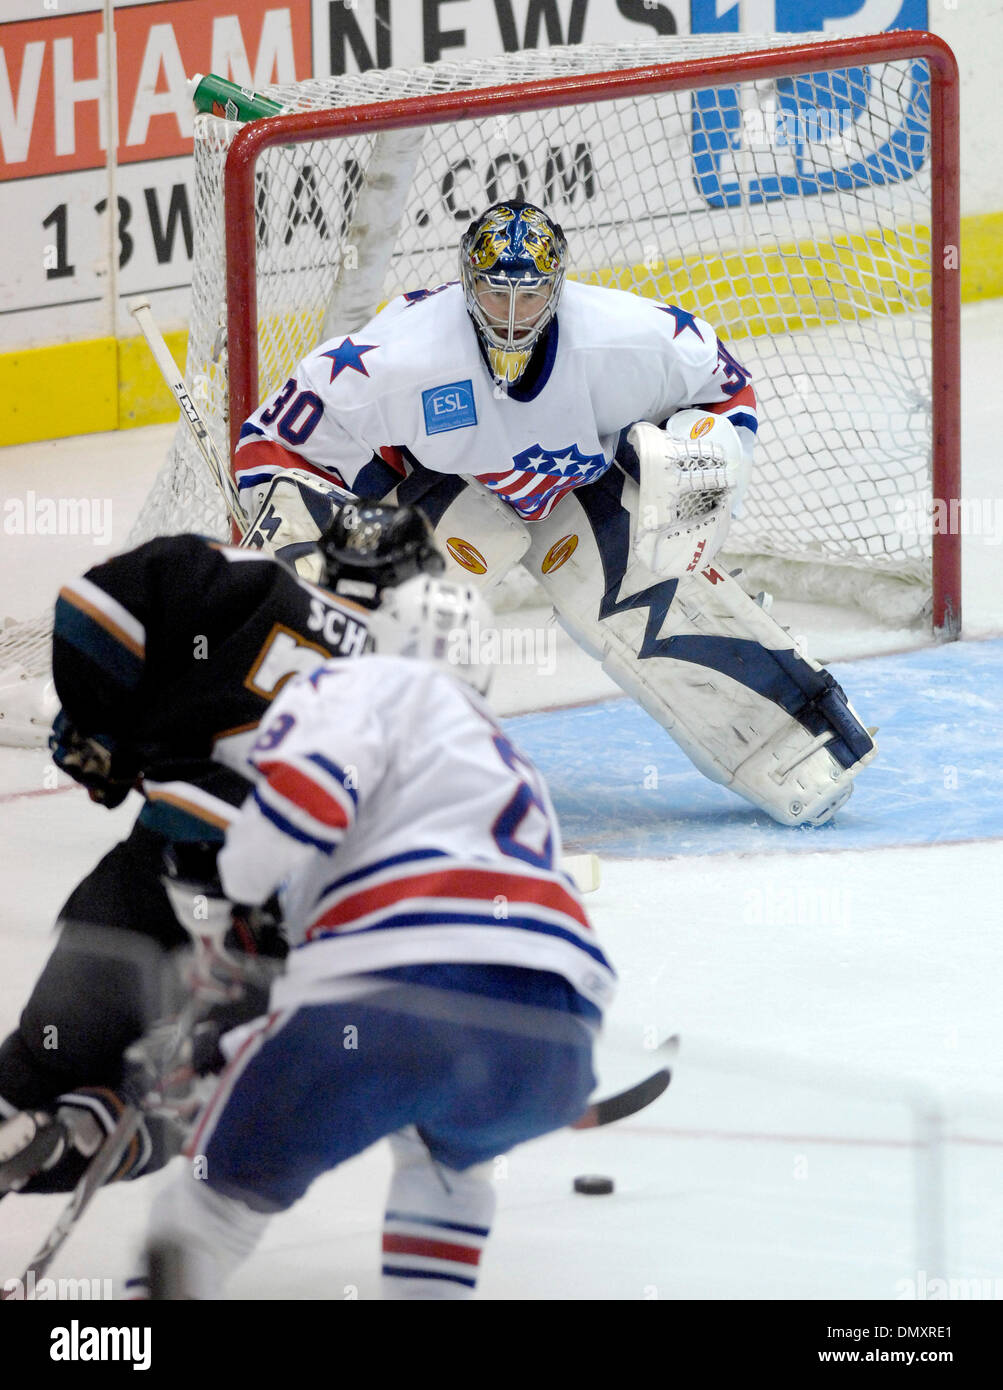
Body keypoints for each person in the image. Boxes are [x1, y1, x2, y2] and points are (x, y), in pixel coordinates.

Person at [233, 200, 877, 831]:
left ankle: (791, 741)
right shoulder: (401, 359)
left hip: (573, 487)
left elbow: (726, 389)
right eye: (494, 295)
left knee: (640, 594)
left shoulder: (624, 340)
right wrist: (300, 547)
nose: (512, 317)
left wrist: (701, 477)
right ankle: (308, 765)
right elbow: (273, 443)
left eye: (530, 297)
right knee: (383, 614)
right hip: (439, 486)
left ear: (558, 289)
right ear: (467, 288)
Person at [137, 577, 616, 1300]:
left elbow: (303, 807)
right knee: (447, 1172)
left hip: (390, 996)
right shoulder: (505, 755)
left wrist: (235, 883)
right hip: (556, 1033)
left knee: (214, 1202)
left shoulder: (362, 682)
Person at [0, 503, 444, 1198]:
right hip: (266, 915)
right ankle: (105, 1123)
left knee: (43, 1057)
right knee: (201, 1089)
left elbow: (94, 609)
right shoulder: (422, 692)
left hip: (155, 868)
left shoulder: (254, 581)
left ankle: (26, 1109)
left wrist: (103, 723)